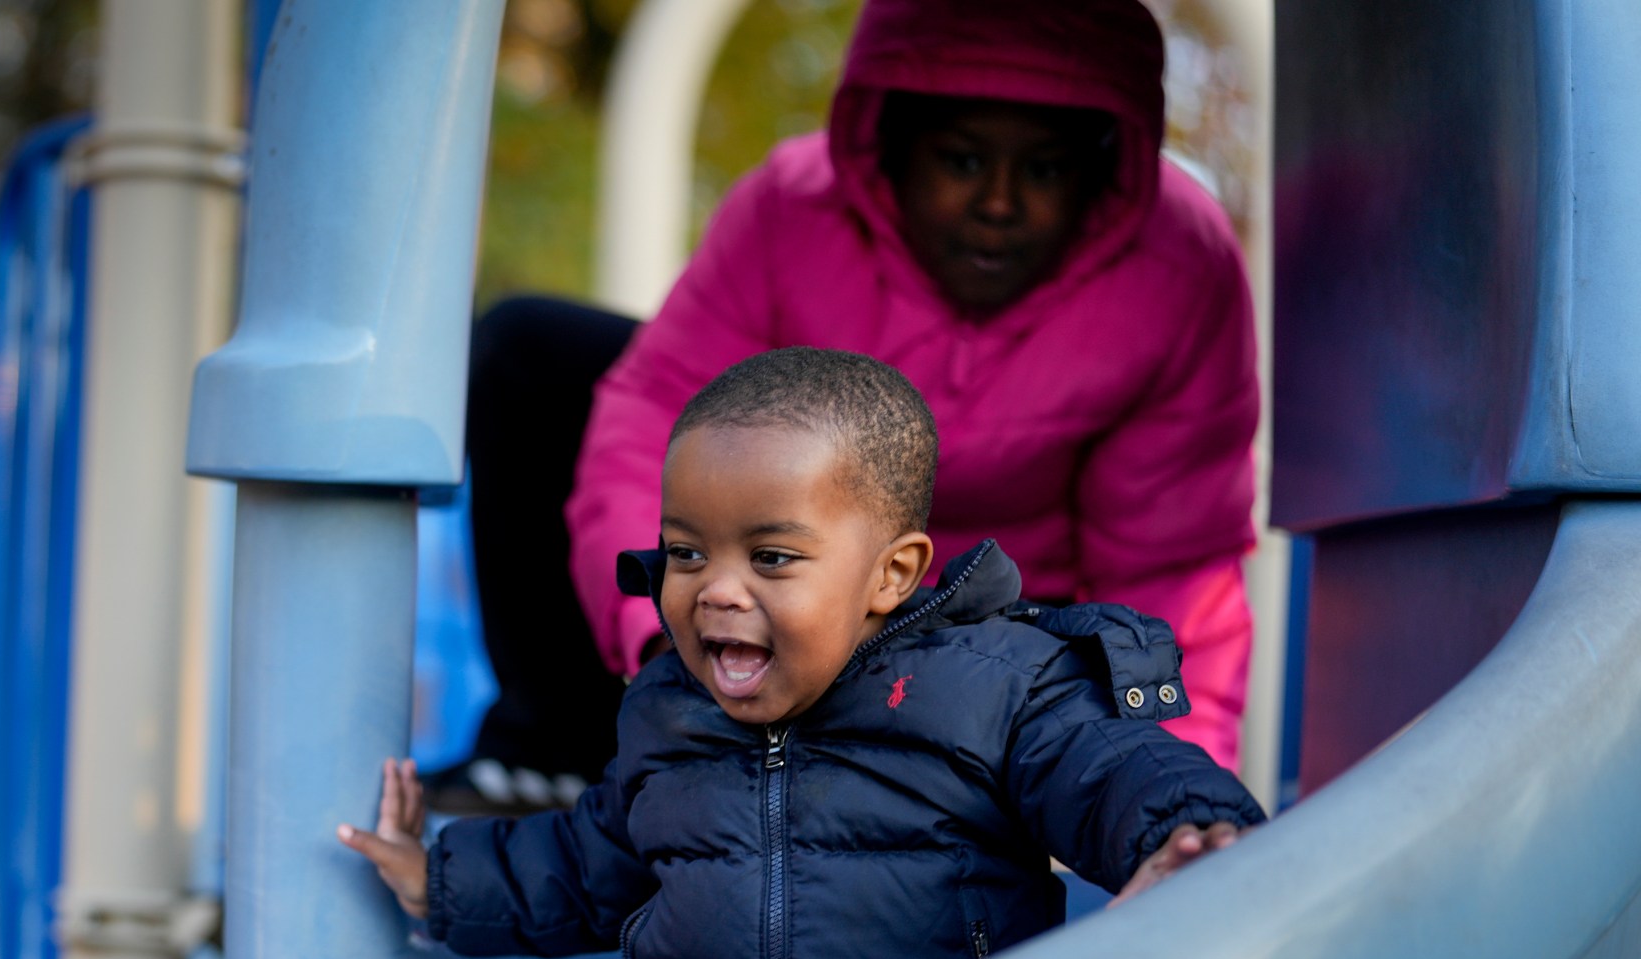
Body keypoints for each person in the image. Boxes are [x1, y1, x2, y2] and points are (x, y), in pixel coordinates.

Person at [345, 349, 1262, 959]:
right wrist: (439, 880)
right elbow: (589, 866)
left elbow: (1106, 764)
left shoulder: (991, 686)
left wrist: (1185, 830)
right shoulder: (671, 715)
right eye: (685, 553)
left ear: (891, 574)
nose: (717, 591)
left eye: (772, 558)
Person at [443, 0, 1256, 812]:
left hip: (989, 654)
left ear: (1100, 170)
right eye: (963, 161)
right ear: (892, 147)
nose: (1000, 203)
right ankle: (560, 759)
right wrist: (671, 636)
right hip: (774, 596)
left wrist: (1165, 800)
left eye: (1043, 169)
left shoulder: (1176, 272)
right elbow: (652, 421)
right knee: (532, 353)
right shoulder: (788, 212)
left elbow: (1172, 568)